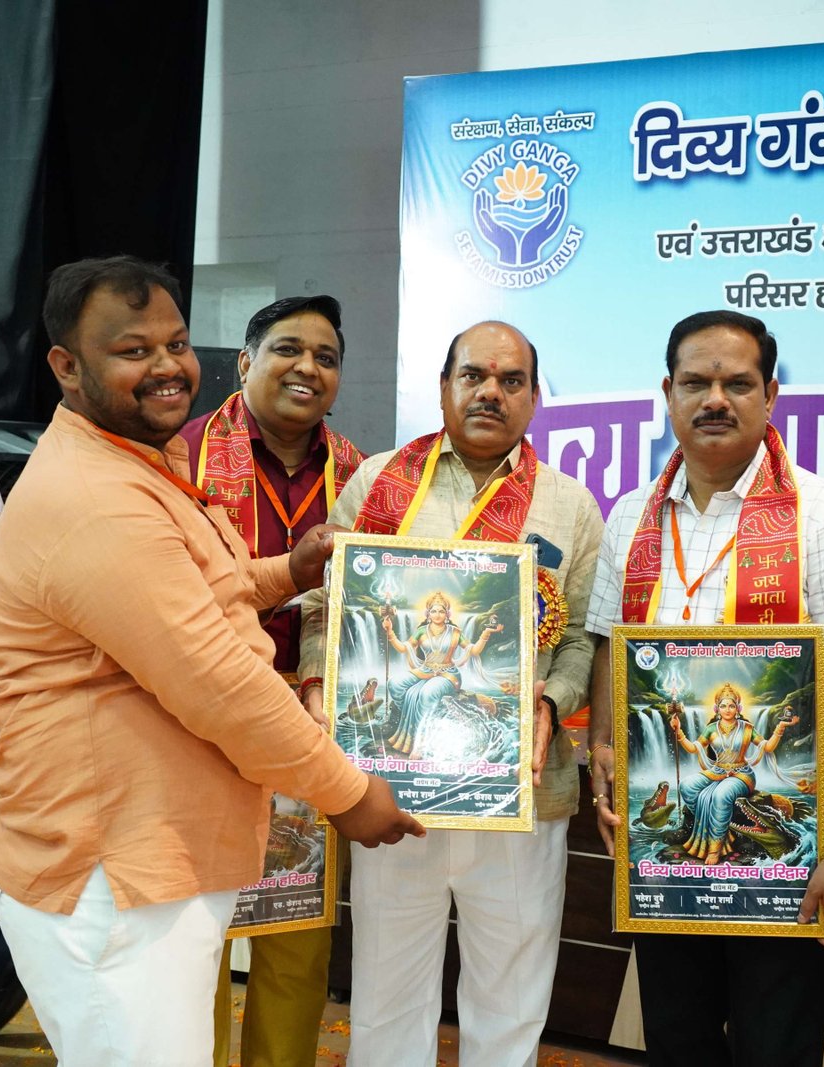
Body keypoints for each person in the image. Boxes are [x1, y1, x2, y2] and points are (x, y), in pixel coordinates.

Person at [0, 256, 422, 1067]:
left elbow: (201, 590)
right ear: (66, 366)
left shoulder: (138, 461)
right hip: (115, 870)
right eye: (133, 350)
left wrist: (286, 572)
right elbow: (216, 678)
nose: (167, 367)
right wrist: (349, 794)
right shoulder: (97, 497)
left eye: (176, 344)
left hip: (156, 854)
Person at [585, 309, 824, 1066]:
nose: (715, 399)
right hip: (658, 856)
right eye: (696, 382)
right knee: (676, 1038)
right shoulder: (631, 516)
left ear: (771, 395)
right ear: (667, 392)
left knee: (774, 1043)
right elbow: (610, 646)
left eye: (738, 383)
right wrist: (603, 746)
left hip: (786, 864)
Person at [298, 320, 604, 1067]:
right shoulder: (379, 484)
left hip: (524, 792)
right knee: (386, 994)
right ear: (443, 387)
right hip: (392, 789)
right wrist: (317, 682)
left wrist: (551, 702)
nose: (490, 392)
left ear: (534, 397)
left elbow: (581, 638)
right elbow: (324, 606)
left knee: (512, 998)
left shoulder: (569, 505)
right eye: (473, 376)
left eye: (511, 380)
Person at [177, 294, 367, 1067]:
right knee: (194, 939)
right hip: (198, 722)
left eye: (326, 357)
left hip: (313, 721)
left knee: (297, 933)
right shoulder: (178, 457)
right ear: (246, 360)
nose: (307, 367)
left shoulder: (363, 475)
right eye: (289, 348)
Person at [668, 683, 793, 866]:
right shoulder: (712, 729)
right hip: (717, 771)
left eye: (731, 706)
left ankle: (714, 849)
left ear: (738, 708)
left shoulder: (747, 728)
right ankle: (713, 824)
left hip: (741, 774)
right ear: (717, 708)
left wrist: (780, 727)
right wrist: (678, 731)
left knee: (720, 795)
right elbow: (694, 748)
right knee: (686, 786)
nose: (727, 709)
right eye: (723, 706)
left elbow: (767, 747)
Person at [382, 590, 504, 755]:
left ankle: (422, 740)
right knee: (394, 683)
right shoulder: (421, 631)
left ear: (447, 614)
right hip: (425, 670)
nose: (437, 614)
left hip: (448, 674)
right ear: (428, 614)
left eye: (441, 611)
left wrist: (486, 633)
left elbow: (473, 650)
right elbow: (404, 648)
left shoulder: (455, 632)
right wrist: (390, 631)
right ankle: (409, 721)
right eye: (433, 611)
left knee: (426, 693)